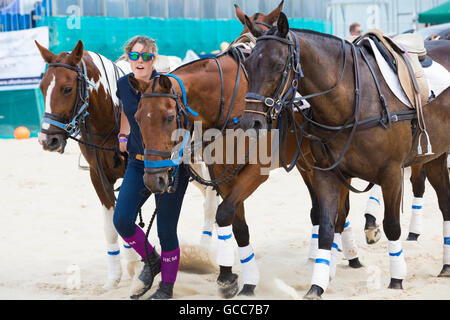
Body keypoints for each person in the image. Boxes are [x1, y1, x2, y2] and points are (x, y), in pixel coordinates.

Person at [113, 35, 190, 300]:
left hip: (169, 166)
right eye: (134, 56)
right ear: (128, 58)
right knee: (121, 220)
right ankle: (152, 260)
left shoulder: (168, 85)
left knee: (166, 231)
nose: (140, 61)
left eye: (145, 56)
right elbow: (126, 110)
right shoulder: (123, 85)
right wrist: (123, 136)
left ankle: (166, 288)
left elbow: (187, 123)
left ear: (153, 58)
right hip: (137, 164)